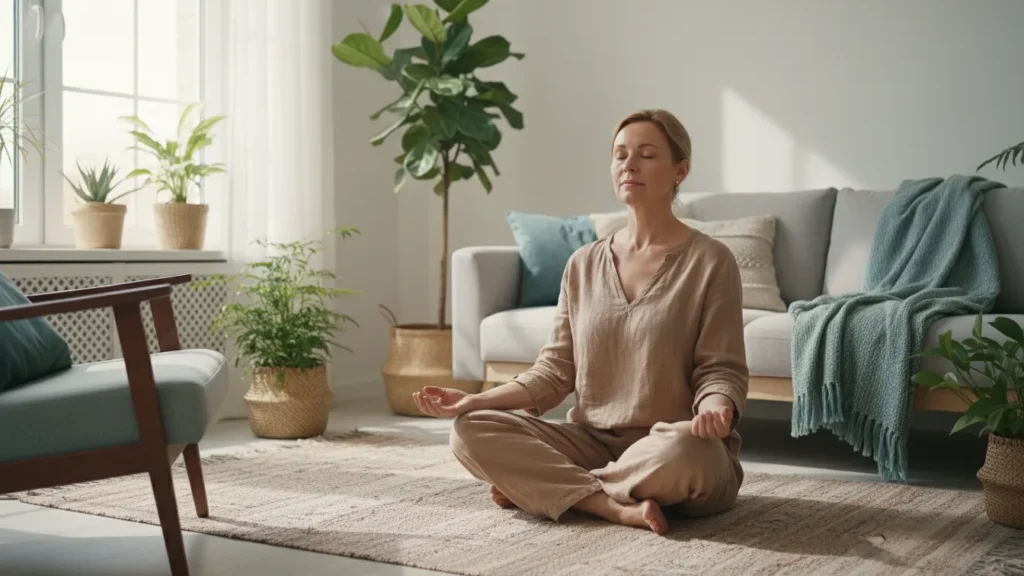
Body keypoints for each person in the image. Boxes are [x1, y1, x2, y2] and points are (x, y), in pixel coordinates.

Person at [412, 109, 748, 535]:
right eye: (620, 155)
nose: (629, 165)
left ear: (680, 170)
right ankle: (609, 505)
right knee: (468, 431)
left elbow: (720, 368)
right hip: (591, 443)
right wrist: (473, 401)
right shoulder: (582, 263)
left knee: (688, 452)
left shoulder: (711, 260)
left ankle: (551, 489)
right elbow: (554, 371)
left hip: (672, 446)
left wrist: (715, 406)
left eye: (646, 155)